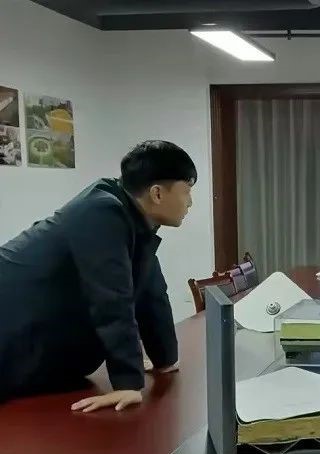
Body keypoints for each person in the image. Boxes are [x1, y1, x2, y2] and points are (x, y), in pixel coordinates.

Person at [0, 140, 196, 412]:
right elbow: (112, 298)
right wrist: (127, 382)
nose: (190, 202)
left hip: (33, 342)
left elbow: (151, 294)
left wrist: (164, 360)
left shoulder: (134, 220)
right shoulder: (102, 211)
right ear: (157, 193)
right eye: (187, 191)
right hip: (11, 331)